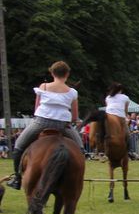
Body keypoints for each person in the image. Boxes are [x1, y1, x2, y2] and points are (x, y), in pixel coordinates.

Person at [8, 61, 83, 190]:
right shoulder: (72, 92)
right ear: (67, 74)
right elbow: (75, 117)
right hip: (63, 126)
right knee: (80, 150)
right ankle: (77, 179)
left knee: (19, 147)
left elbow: (37, 107)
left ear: (52, 73)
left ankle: (17, 178)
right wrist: (72, 121)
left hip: (41, 122)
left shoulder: (43, 87)